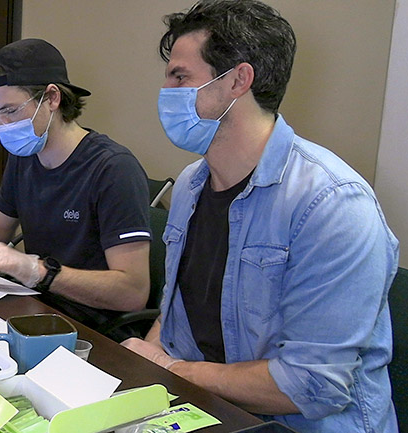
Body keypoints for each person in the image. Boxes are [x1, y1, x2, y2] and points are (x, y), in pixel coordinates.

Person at [120, 1, 399, 432]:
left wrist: (168, 368)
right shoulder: (194, 184)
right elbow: (176, 319)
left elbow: (312, 385)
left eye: (180, 76)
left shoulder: (334, 205)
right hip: (207, 409)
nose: (166, 91)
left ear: (237, 80)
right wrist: (147, 369)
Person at [0, 38, 152, 341]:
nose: (2, 124)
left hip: (92, 330)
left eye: (10, 110)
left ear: (51, 98)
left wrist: (38, 271)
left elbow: (132, 293)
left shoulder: (112, 169)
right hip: (36, 307)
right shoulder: (25, 158)